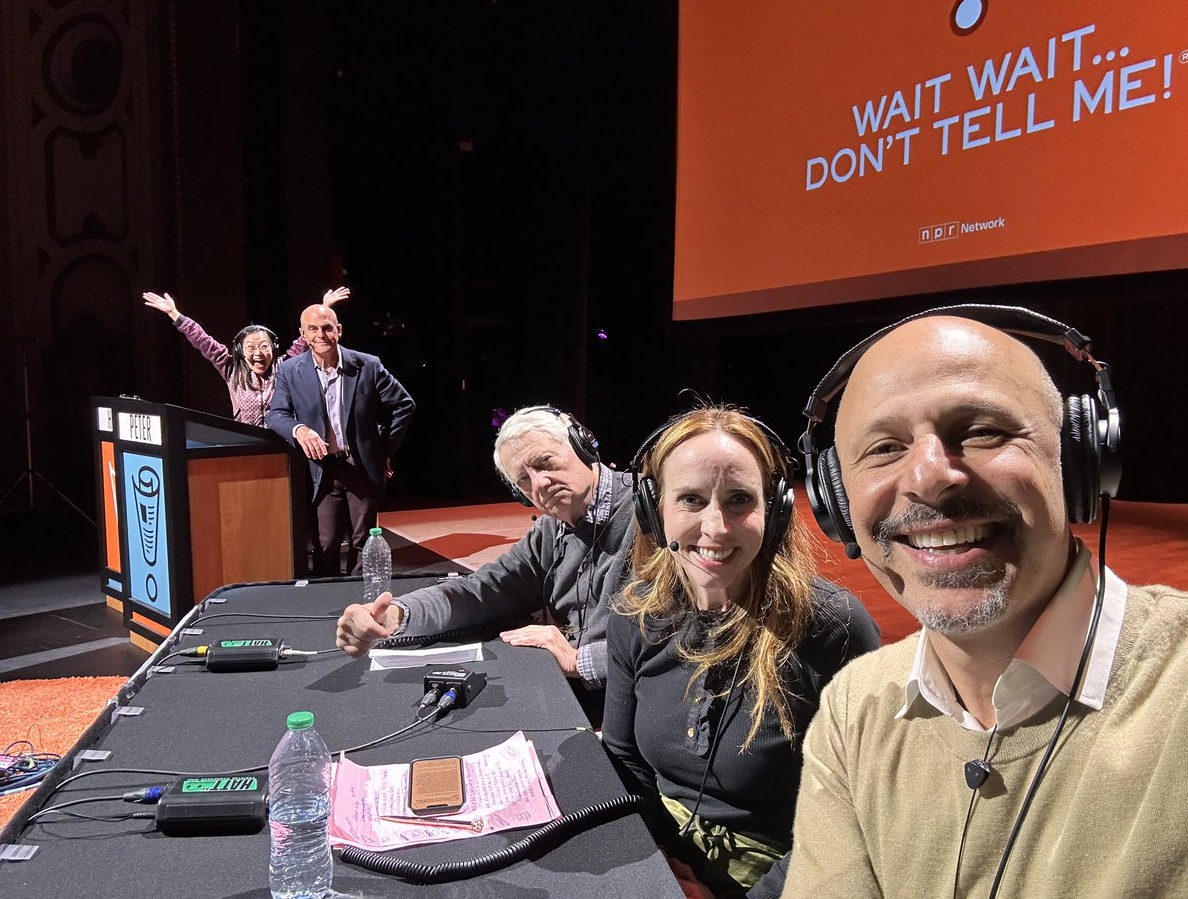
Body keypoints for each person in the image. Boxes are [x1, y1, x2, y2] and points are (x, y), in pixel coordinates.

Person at [784, 306, 1188, 897]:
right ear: (835, 503)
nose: (927, 476)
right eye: (885, 447)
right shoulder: (853, 709)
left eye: (981, 431)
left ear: (1081, 458)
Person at [602, 406, 880, 899]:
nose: (716, 527)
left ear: (774, 510)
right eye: (690, 498)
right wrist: (658, 866)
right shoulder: (636, 613)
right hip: (662, 857)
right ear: (653, 509)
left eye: (739, 501)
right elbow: (624, 759)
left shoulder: (833, 629)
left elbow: (858, 814)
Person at [335, 405, 635, 706]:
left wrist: (578, 660)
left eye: (546, 462)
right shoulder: (552, 529)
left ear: (583, 446)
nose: (540, 485)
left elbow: (678, 637)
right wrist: (396, 617)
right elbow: (480, 592)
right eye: (524, 482)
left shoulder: (651, 516)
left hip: (632, 708)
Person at [266, 303, 415, 576]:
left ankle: (362, 604)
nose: (320, 334)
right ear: (303, 333)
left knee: (363, 542)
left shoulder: (368, 365)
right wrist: (299, 430)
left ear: (339, 330)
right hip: (320, 469)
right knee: (326, 543)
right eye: (313, 329)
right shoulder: (289, 370)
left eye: (327, 328)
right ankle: (329, 606)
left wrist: (385, 449)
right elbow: (276, 414)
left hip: (360, 466)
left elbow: (404, 404)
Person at [141, 286, 349, 426]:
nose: (258, 353)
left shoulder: (284, 367)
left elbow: (306, 339)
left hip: (283, 444)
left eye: (264, 346)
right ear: (240, 351)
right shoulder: (231, 368)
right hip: (246, 443)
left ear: (273, 349)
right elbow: (203, 341)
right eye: (250, 347)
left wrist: (325, 308)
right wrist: (175, 315)